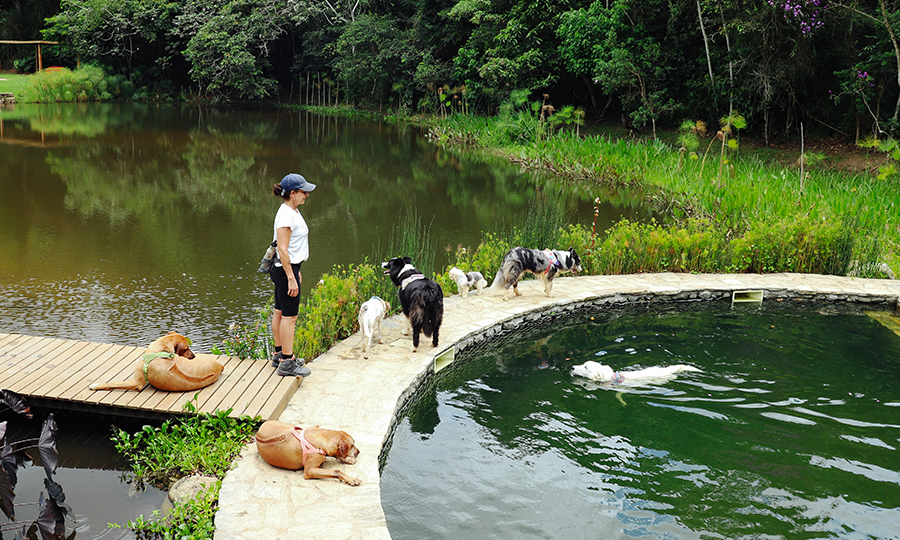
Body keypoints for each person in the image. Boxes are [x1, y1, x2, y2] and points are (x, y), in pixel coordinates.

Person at [269, 173, 316, 377]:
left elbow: (293, 248)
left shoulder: (291, 211)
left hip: (287, 268)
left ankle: (279, 355)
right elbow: (283, 249)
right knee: (290, 317)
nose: (307, 194)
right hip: (284, 269)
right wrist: (291, 276)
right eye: (303, 191)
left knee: (280, 311)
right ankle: (288, 362)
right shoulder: (286, 215)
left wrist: (297, 271)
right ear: (293, 193)